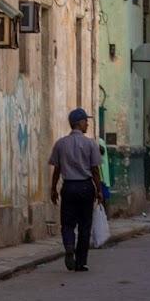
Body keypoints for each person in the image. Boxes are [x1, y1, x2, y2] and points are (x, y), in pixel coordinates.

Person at [49, 108, 104, 272]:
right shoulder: (90, 144)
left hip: (68, 187)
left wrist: (53, 189)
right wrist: (99, 190)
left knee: (67, 223)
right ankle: (81, 262)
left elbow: (57, 170)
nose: (87, 124)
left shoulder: (60, 143)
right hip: (86, 187)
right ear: (79, 123)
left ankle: (69, 246)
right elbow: (95, 170)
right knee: (85, 225)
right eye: (86, 121)